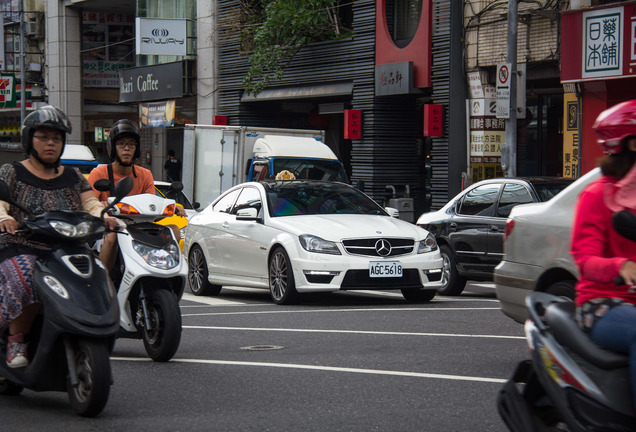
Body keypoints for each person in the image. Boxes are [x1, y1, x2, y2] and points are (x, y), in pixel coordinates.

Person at [0, 105, 119, 368]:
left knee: (93, 275)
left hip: (67, 246)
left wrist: (104, 216)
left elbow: (90, 204)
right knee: (25, 276)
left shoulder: (73, 175)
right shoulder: (12, 172)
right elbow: (0, 203)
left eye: (56, 138)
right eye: (43, 137)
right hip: (22, 245)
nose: (51, 143)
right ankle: (16, 339)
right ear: (29, 138)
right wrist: (4, 218)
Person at [571, 99, 636, 408]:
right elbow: (585, 258)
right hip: (601, 305)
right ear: (629, 144)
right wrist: (620, 266)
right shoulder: (596, 196)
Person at [88, 119, 185, 270]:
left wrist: (173, 207)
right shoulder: (99, 173)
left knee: (173, 230)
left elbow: (152, 205)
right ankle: (103, 283)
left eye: (131, 144)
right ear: (113, 147)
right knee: (112, 235)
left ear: (136, 148)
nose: (126, 148)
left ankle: (166, 276)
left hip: (138, 228)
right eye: (121, 144)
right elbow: (89, 205)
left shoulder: (145, 174)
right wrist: (101, 207)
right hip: (108, 228)